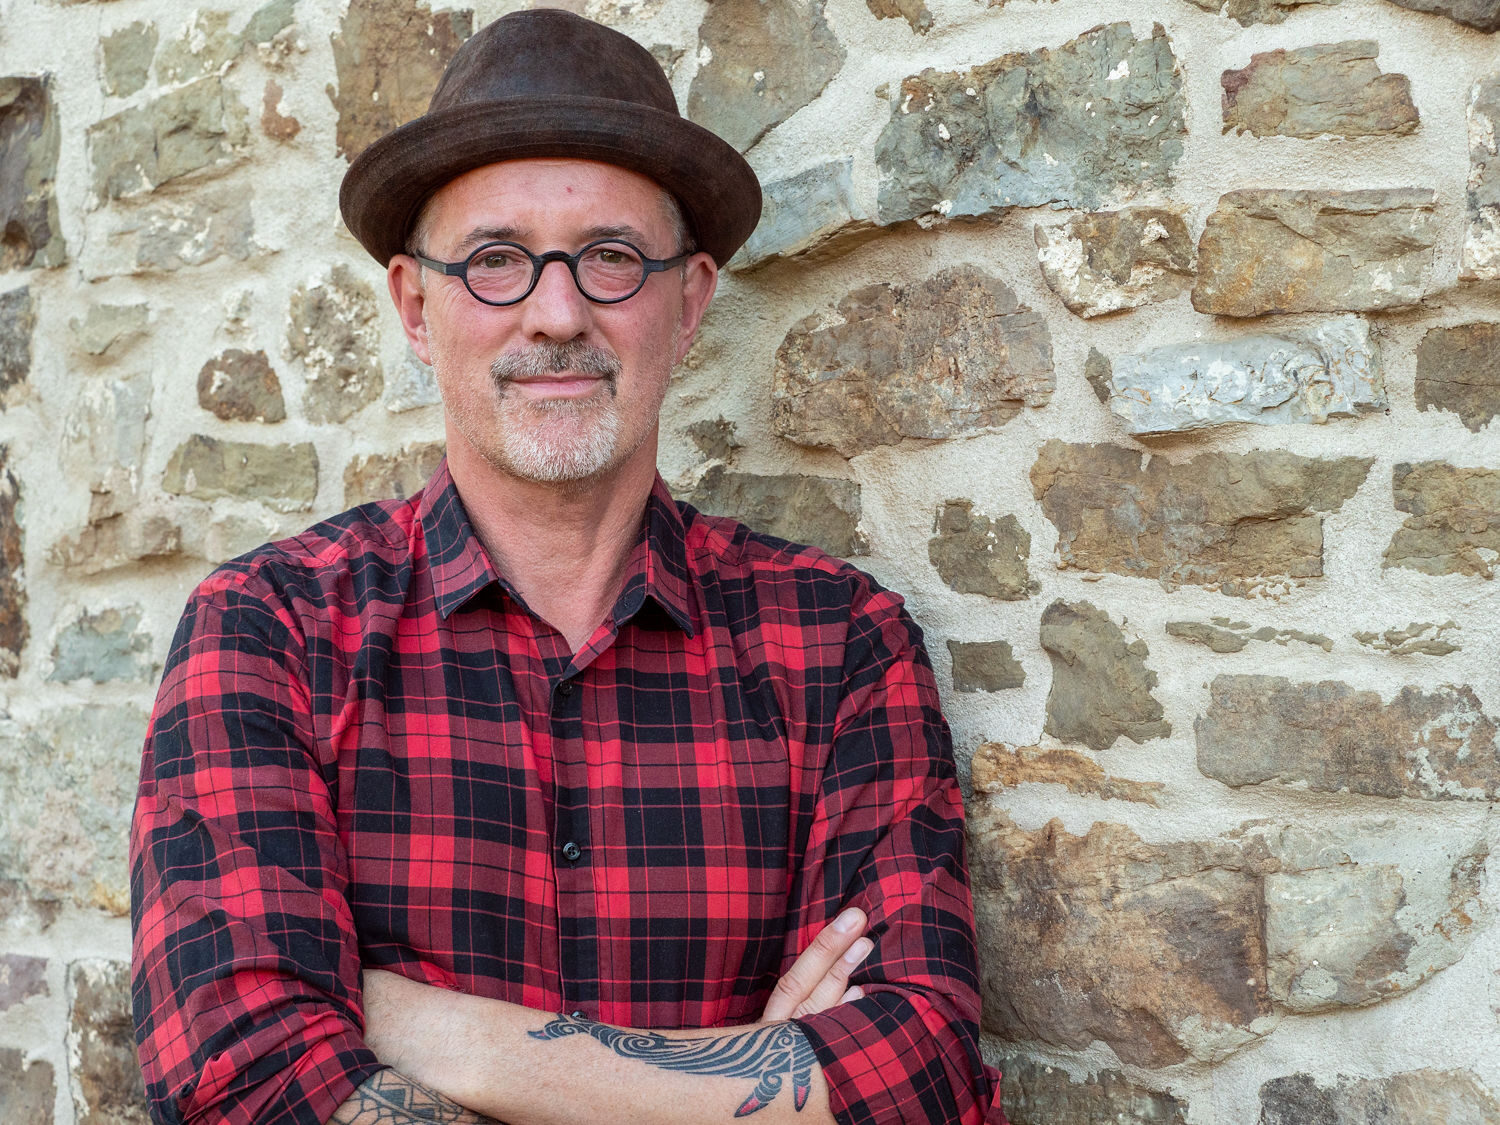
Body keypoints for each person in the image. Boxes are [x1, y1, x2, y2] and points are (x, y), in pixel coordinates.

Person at [130, 10, 1000, 1125]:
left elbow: (920, 1075)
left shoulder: (837, 642)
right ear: (416, 306)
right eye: (496, 259)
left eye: (611, 258)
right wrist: (754, 1077)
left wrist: (440, 1033)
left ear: (689, 304)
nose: (556, 314)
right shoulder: (272, 631)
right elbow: (243, 1078)